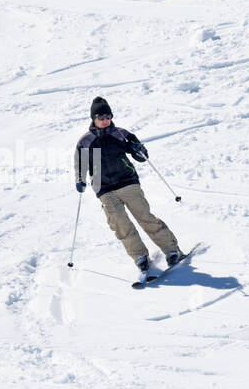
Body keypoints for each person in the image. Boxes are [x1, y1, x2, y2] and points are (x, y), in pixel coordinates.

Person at [75, 96, 184, 279]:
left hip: (127, 182)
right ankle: (140, 256)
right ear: (93, 118)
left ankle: (172, 250)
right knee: (119, 223)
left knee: (144, 217)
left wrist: (140, 150)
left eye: (108, 116)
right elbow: (80, 164)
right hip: (104, 189)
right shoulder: (86, 141)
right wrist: (80, 180)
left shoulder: (121, 133)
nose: (105, 120)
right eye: (100, 117)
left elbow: (139, 156)